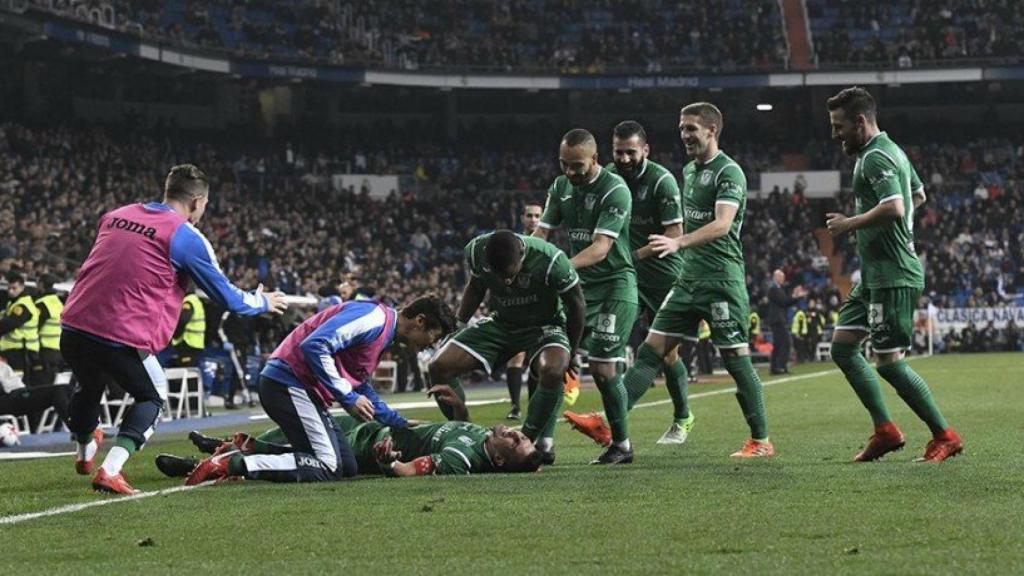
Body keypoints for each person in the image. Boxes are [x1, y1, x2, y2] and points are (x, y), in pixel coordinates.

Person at [59, 164, 289, 495]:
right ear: (197, 202)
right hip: (119, 333)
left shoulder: (115, 215)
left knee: (91, 385)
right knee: (152, 395)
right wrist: (263, 301)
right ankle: (110, 471)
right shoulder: (185, 236)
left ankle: (84, 452)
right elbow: (227, 297)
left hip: (73, 325)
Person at [568, 103, 774, 458]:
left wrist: (677, 241)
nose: (684, 135)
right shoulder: (691, 171)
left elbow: (723, 224)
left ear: (712, 130)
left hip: (721, 279)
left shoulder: (730, 172)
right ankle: (607, 423)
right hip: (688, 279)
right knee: (651, 352)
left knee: (736, 360)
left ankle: (761, 440)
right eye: (681, 128)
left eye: (691, 128)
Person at [825, 86, 962, 462]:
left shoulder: (875, 157)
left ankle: (945, 435)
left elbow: (897, 207)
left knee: (888, 362)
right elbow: (918, 196)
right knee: (843, 346)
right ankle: (885, 430)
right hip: (874, 275)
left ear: (859, 121)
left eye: (839, 127)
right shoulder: (891, 151)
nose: (835, 134)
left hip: (892, 275)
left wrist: (851, 224)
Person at [185, 296, 456, 485]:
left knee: (347, 467)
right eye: (433, 339)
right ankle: (231, 464)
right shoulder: (373, 318)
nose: (429, 347)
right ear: (420, 321)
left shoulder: (382, 332)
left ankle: (247, 448)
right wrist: (347, 398)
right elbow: (316, 345)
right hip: (288, 383)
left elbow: (360, 385)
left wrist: (396, 421)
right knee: (328, 466)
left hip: (299, 388)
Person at [565, 120, 694, 445]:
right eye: (618, 152)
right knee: (610, 344)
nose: (623, 159)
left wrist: (631, 256)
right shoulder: (606, 177)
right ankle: (582, 389)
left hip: (664, 276)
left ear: (645, 150)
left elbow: (674, 234)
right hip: (626, 277)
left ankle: (678, 417)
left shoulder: (662, 181)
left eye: (630, 152)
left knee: (664, 354)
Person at [428, 230, 585, 464]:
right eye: (500, 277)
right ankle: (467, 435)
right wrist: (458, 324)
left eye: (510, 275)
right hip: (502, 324)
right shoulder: (475, 251)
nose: (506, 282)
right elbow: (476, 287)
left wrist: (572, 351)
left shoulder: (552, 259)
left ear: (523, 255)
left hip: (544, 325)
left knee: (553, 370)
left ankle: (527, 442)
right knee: (438, 366)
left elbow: (577, 305)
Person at [534, 128, 640, 465]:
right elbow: (542, 232)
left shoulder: (615, 189)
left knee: (604, 369)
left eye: (577, 166)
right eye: (564, 164)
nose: (570, 172)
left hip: (614, 287)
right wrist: (526, 258)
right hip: (578, 288)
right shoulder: (560, 186)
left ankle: (622, 445)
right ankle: (544, 446)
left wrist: (556, 267)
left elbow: (600, 248)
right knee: (553, 363)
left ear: (595, 160)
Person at [158, 386, 543, 478]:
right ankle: (221, 449)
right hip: (365, 427)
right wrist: (457, 406)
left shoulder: (462, 458)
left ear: (497, 459)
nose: (513, 433)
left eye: (516, 442)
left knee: (292, 448)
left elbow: (409, 470)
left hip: (361, 443)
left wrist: (391, 462)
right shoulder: (480, 438)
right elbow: (450, 428)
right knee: (282, 437)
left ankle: (208, 462)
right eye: (520, 434)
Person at [504, 202, 545, 420]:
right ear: (522, 218)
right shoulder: (513, 243)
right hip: (517, 306)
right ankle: (514, 406)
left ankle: (533, 406)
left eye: (537, 215)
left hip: (540, 308)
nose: (533, 219)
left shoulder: (547, 242)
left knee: (538, 361)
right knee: (516, 358)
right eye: (529, 215)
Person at [0, 273, 44, 386]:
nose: (10, 291)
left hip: (21, 351)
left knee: (15, 383)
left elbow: (7, 324)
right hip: (15, 350)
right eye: (9, 288)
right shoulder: (14, 303)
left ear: (22, 287)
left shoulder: (23, 306)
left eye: (14, 288)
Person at [767, 269, 804, 374]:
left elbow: (786, 302)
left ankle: (775, 368)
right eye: (781, 277)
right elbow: (784, 302)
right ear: (776, 277)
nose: (783, 279)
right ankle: (780, 367)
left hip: (779, 320)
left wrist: (795, 297)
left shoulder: (778, 289)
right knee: (785, 343)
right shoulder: (773, 290)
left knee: (778, 344)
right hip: (777, 321)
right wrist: (795, 296)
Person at [35, 273, 66, 386]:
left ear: (41, 284)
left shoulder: (42, 304)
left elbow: (34, 326)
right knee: (51, 382)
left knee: (42, 383)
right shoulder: (58, 303)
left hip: (45, 349)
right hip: (57, 349)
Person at [170, 291, 205, 368]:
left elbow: (183, 320)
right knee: (190, 372)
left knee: (182, 371)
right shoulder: (195, 300)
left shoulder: (188, 302)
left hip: (187, 342)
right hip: (195, 343)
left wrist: (175, 335)